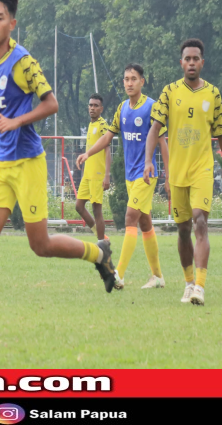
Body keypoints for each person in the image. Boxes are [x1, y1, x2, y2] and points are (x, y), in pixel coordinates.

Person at [0, 0, 116, 338]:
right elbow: (0, 110)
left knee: (39, 245)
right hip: (1, 164)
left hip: (28, 161)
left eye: (0, 18)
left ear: (12, 23)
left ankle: (98, 252)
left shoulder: (23, 61)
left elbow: (51, 104)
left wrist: (16, 122)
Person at [144, 38, 222, 305]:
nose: (191, 63)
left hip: (202, 169)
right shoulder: (169, 92)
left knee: (200, 222)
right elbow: (154, 129)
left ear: (202, 62)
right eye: (187, 59)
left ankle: (200, 288)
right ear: (181, 63)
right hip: (177, 173)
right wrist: (149, 161)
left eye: (196, 58)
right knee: (182, 230)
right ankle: (188, 282)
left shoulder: (213, 94)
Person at [77, 64, 169, 290]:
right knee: (145, 223)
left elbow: (162, 142)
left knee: (130, 218)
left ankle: (118, 274)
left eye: (133, 79)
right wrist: (88, 153)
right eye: (126, 79)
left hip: (146, 175)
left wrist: (169, 176)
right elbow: (107, 138)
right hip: (130, 176)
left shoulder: (152, 107)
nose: (129, 83)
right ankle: (157, 277)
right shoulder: (121, 109)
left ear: (142, 82)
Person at [75, 93, 112, 241]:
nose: (92, 108)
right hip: (87, 174)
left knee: (97, 211)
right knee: (79, 206)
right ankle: (101, 236)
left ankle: (101, 242)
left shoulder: (103, 124)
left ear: (101, 109)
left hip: (97, 174)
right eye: (90, 105)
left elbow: (107, 149)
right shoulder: (91, 124)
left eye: (96, 106)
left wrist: (107, 175)